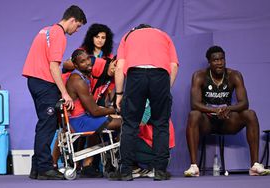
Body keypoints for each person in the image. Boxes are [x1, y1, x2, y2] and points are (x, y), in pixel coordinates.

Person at [184, 45, 270, 177]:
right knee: (193, 115)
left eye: (221, 59)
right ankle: (194, 167)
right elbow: (194, 104)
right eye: (215, 60)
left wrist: (227, 109)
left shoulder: (234, 75)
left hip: (227, 121)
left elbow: (244, 103)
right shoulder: (199, 76)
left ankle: (255, 165)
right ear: (209, 62)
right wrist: (215, 110)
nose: (219, 63)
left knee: (250, 114)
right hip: (207, 122)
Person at [22, 5, 86, 180]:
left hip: (33, 81)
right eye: (78, 25)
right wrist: (64, 93)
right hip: (44, 83)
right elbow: (53, 66)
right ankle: (44, 168)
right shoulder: (59, 35)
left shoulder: (45, 30)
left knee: (43, 123)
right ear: (72, 20)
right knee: (48, 125)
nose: (77, 29)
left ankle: (36, 168)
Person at [111, 24, 179, 181]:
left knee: (130, 124)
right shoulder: (163, 34)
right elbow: (174, 65)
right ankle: (160, 171)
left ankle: (126, 171)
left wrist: (119, 94)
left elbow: (120, 67)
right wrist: (164, 89)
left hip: (136, 75)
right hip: (160, 75)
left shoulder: (128, 35)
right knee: (161, 124)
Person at [65, 49, 121, 177]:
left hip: (84, 118)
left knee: (116, 119)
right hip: (80, 122)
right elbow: (95, 111)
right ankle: (124, 163)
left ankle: (115, 161)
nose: (88, 63)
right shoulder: (77, 80)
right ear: (76, 65)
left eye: (88, 59)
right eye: (82, 61)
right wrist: (115, 110)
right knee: (124, 122)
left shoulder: (84, 76)